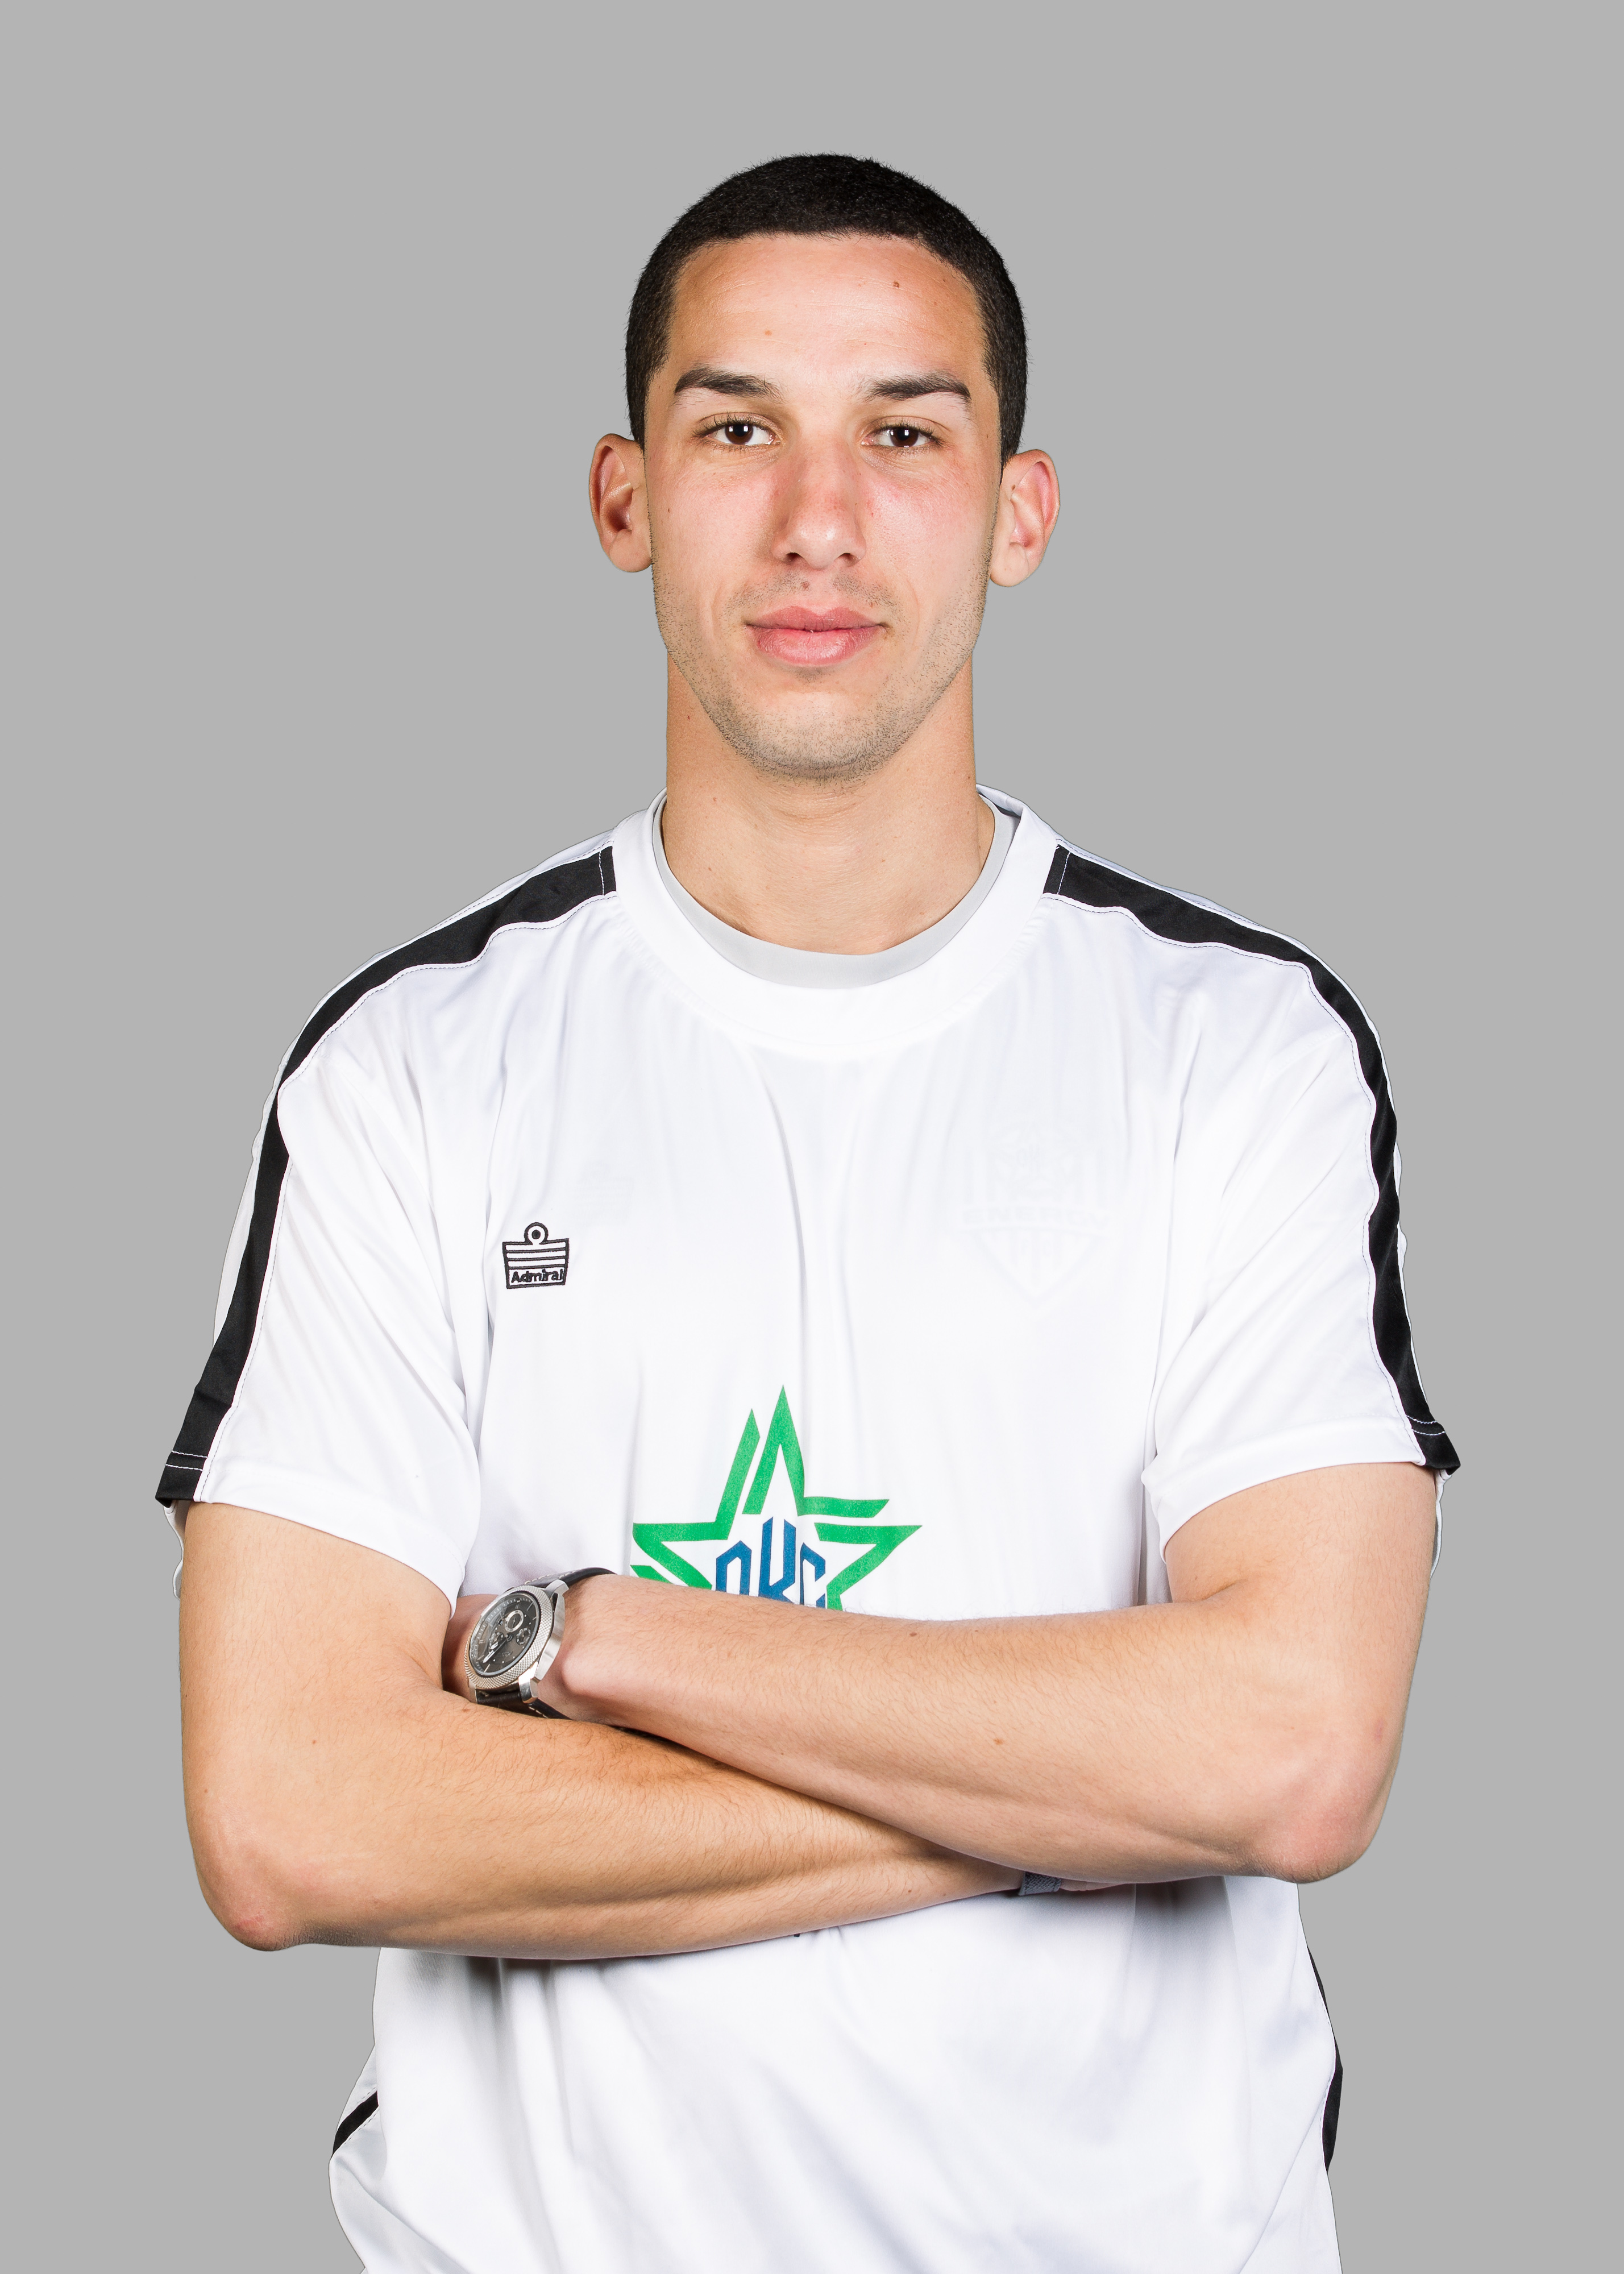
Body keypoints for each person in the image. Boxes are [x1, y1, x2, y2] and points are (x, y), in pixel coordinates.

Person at [165, 153, 1456, 2274]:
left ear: (1020, 512)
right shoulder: (408, 1070)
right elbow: (292, 1814)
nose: (817, 521)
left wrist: (604, 1640)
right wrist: (1077, 1793)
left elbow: (1297, 1751)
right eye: (736, 428)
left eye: (905, 435)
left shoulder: (1233, 1048)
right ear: (623, 498)